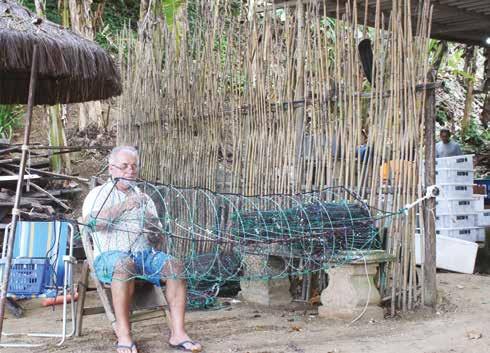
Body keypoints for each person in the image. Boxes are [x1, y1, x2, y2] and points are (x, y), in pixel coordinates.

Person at [82, 146, 202, 353]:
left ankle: (178, 333)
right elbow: (90, 223)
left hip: (144, 255)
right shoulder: (98, 194)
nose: (130, 171)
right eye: (124, 166)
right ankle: (125, 335)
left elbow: (157, 240)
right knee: (124, 264)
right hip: (111, 256)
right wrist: (123, 206)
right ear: (111, 169)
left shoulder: (144, 197)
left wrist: (154, 228)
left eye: (134, 167)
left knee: (175, 266)